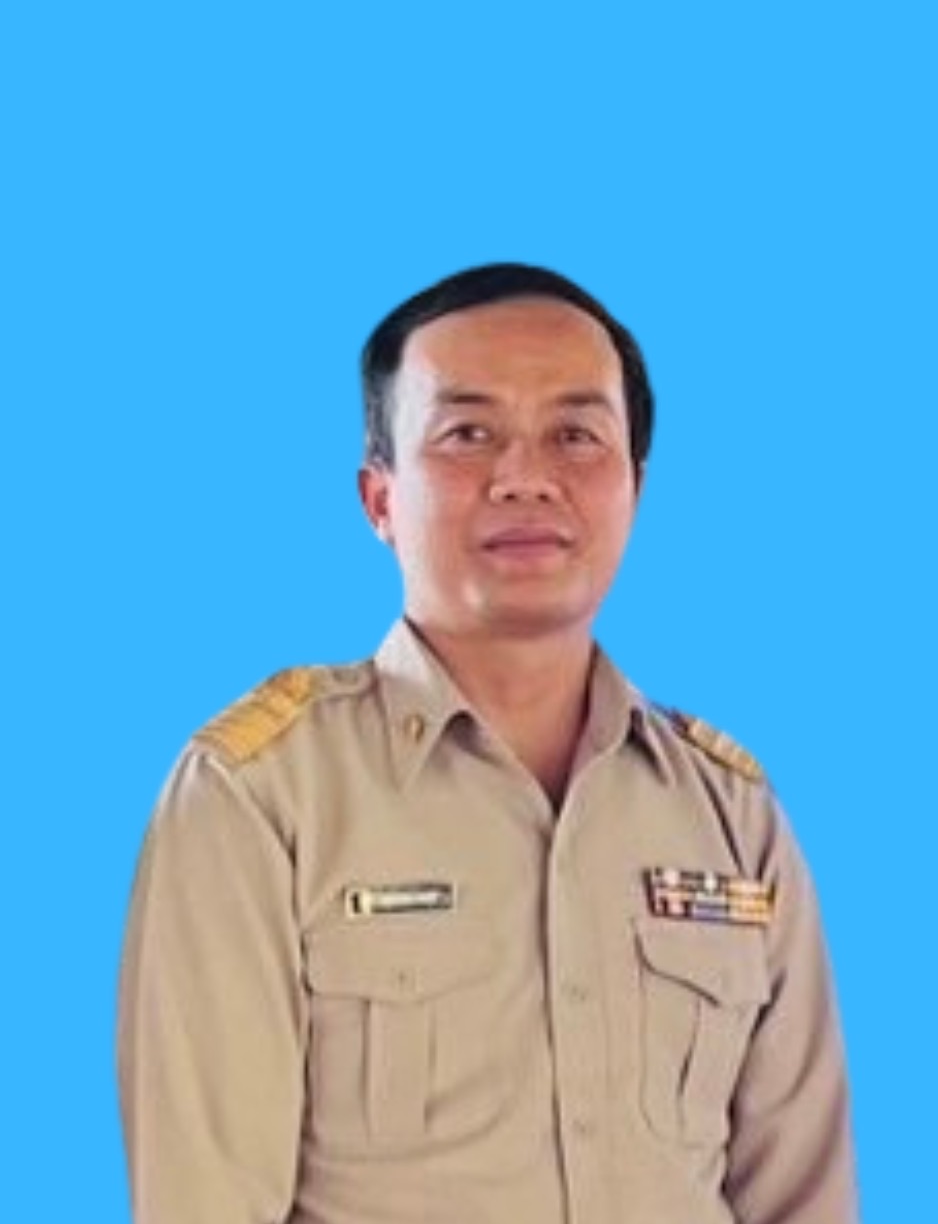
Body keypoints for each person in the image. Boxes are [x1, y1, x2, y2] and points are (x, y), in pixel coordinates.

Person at [117, 263, 859, 1224]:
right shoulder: (259, 796)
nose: (526, 477)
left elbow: (805, 1198)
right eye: (468, 434)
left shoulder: (732, 816)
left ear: (634, 488)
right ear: (379, 499)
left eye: (575, 435)